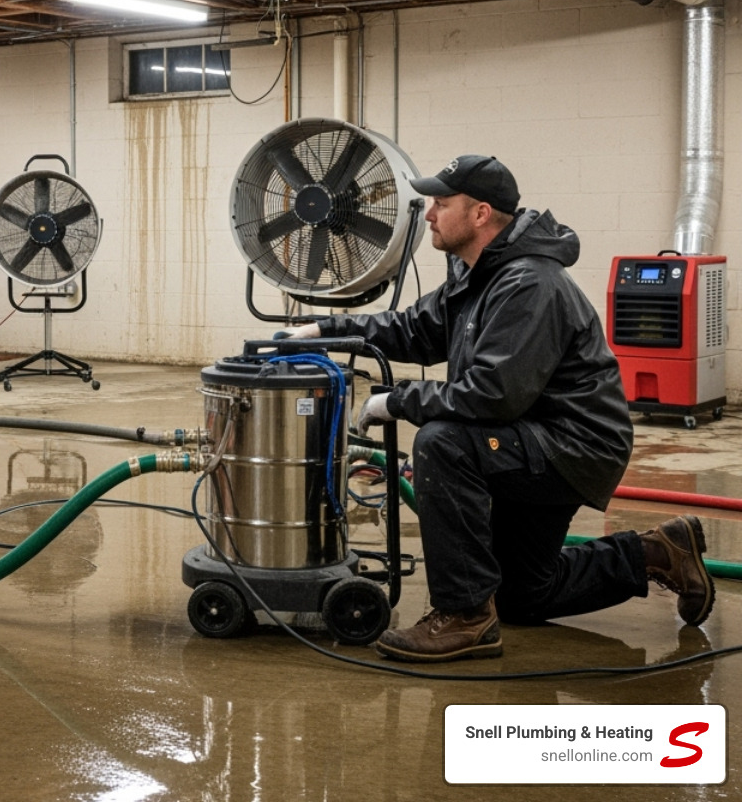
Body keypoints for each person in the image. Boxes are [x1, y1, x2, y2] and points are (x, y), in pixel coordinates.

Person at [284, 154, 714, 662]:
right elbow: (412, 330)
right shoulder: (479, 274)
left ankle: (464, 616)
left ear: (481, 213)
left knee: (442, 443)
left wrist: (395, 401)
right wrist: (322, 332)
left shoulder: (528, 284)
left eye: (442, 204)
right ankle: (657, 551)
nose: (429, 215)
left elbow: (491, 395)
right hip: (529, 437)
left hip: (570, 447)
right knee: (523, 595)